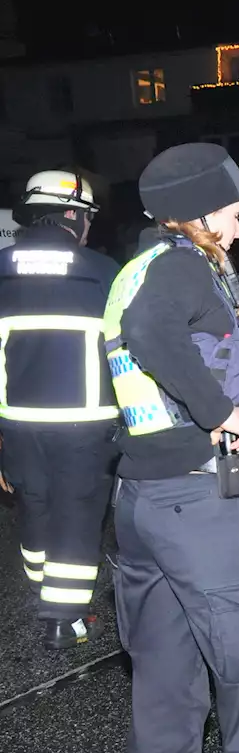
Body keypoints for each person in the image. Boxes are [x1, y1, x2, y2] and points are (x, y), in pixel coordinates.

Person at [104, 143, 239, 753]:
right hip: (202, 503)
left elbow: (161, 363)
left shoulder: (138, 267)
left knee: (165, 697)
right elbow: (152, 334)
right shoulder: (185, 268)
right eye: (234, 215)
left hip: (142, 500)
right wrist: (224, 417)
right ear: (198, 214)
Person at [0, 170, 120, 649]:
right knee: (77, 513)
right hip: (84, 423)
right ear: (73, 214)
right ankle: (64, 619)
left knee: (34, 504)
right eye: (87, 216)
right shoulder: (103, 271)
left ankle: (42, 591)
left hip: (17, 421)